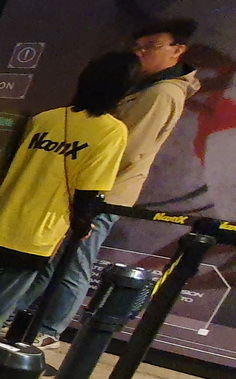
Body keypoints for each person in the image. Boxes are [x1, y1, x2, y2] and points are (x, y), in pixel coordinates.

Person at [0, 53, 139, 352]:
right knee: (8, 295)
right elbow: (90, 188)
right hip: (42, 228)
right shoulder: (111, 131)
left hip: (3, 215)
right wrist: (82, 224)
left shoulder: (46, 118)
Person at [16, 19, 201, 349]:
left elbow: (128, 149)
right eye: (138, 47)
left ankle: (50, 328)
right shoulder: (145, 86)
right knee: (59, 256)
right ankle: (25, 316)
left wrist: (89, 184)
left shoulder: (161, 92)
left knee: (75, 260)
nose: (140, 53)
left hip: (104, 191)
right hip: (93, 186)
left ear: (177, 50)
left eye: (151, 47)